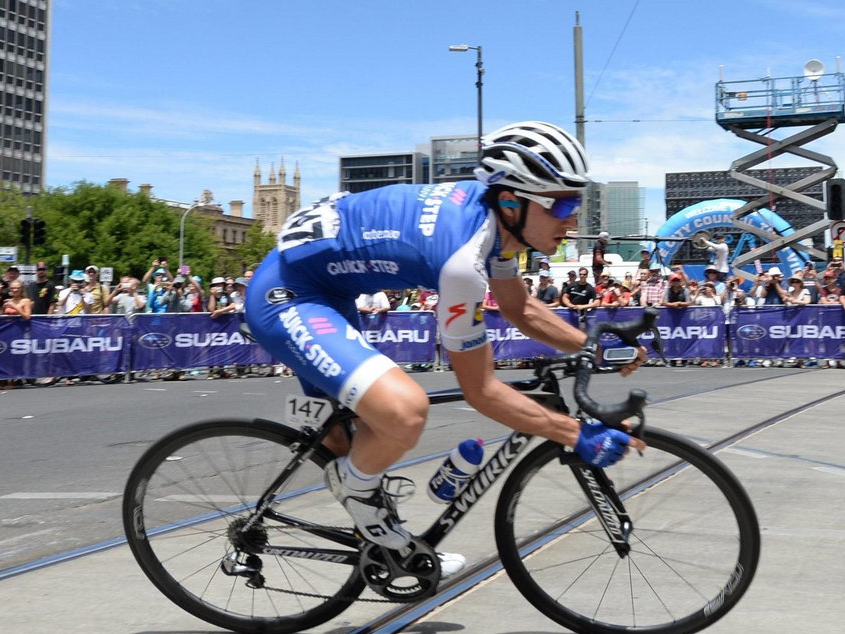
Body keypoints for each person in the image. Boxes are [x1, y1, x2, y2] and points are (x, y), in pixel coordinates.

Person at [245, 120, 644, 557]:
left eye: (576, 202)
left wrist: (592, 348)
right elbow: (482, 390)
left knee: (356, 437)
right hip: (288, 295)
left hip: (329, 287)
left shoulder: (500, 225)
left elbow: (520, 308)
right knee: (405, 413)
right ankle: (355, 493)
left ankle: (373, 532)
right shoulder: (463, 258)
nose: (572, 219)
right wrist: (575, 433)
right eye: (562, 204)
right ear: (511, 199)